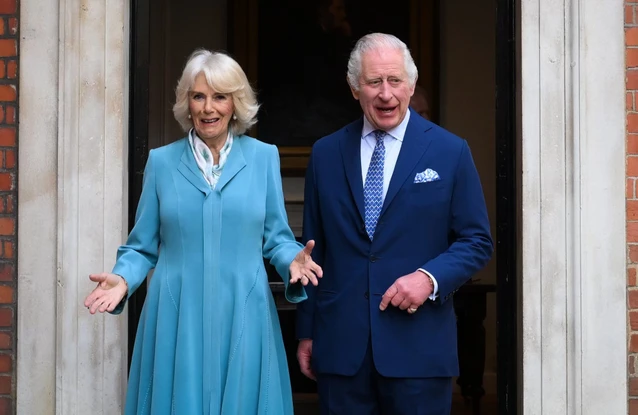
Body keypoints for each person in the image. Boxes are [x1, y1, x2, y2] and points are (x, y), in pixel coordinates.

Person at [84, 49, 322, 415]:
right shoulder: (161, 163)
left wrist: (291, 258)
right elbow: (141, 247)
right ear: (187, 103)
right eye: (198, 96)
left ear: (236, 103)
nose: (208, 108)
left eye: (219, 96)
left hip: (244, 308)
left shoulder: (263, 158)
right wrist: (122, 278)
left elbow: (275, 236)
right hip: (176, 312)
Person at [296, 33, 493, 414]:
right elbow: (311, 250)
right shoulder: (325, 154)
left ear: (411, 84)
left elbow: (476, 240)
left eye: (395, 80)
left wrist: (429, 278)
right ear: (355, 89)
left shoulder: (451, 151)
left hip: (419, 349)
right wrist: (307, 331)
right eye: (374, 82)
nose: (386, 94)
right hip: (341, 350)